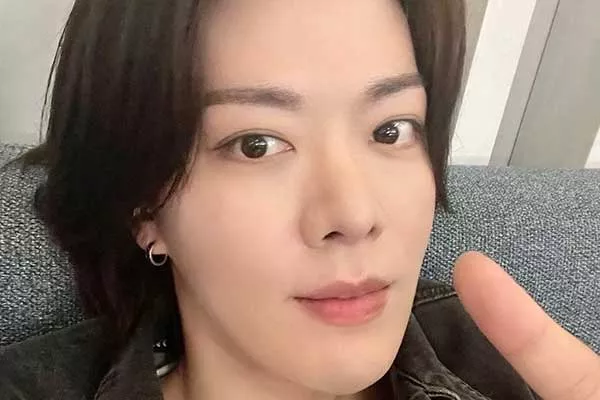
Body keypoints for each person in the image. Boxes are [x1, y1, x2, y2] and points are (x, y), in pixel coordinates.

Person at [1, 0, 598, 399]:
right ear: (144, 205)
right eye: (256, 144)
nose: (354, 216)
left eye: (390, 129)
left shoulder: (496, 358)